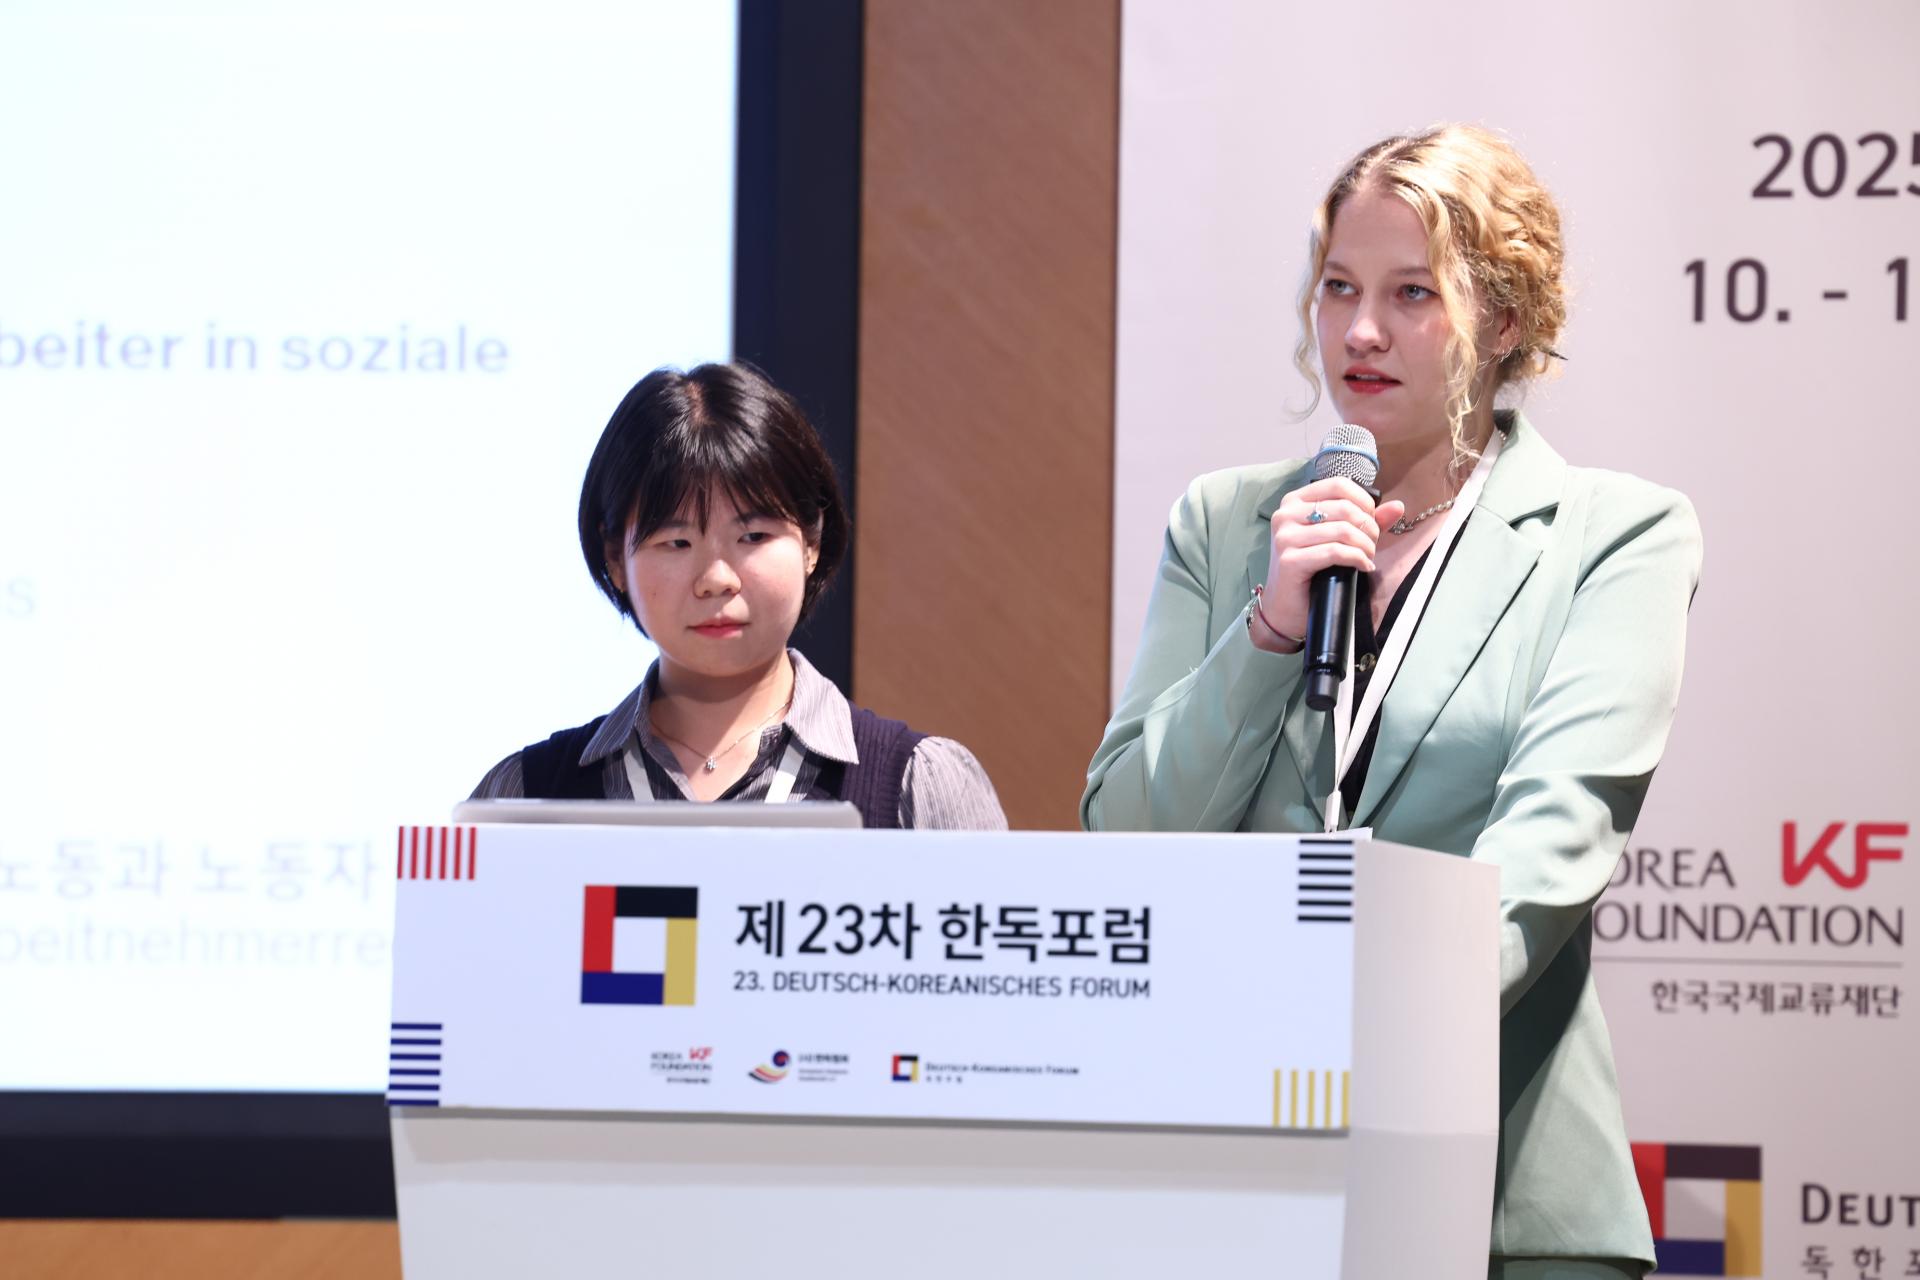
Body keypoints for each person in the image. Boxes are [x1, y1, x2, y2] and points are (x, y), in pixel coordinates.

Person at [1082, 125, 1700, 1278]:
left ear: (1502, 318)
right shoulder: (1226, 522)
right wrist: (1269, 628)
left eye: (1412, 292)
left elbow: (1554, 838)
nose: (1360, 330)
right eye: (1338, 288)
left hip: (1498, 1190)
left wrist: (1341, 1024)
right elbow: (1129, 833)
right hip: (1231, 1164)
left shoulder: (1615, 533)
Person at [473, 361, 1006, 830]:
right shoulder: (524, 797)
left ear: (812, 543)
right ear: (616, 560)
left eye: (752, 537)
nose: (716, 579)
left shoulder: (920, 788)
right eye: (676, 542)